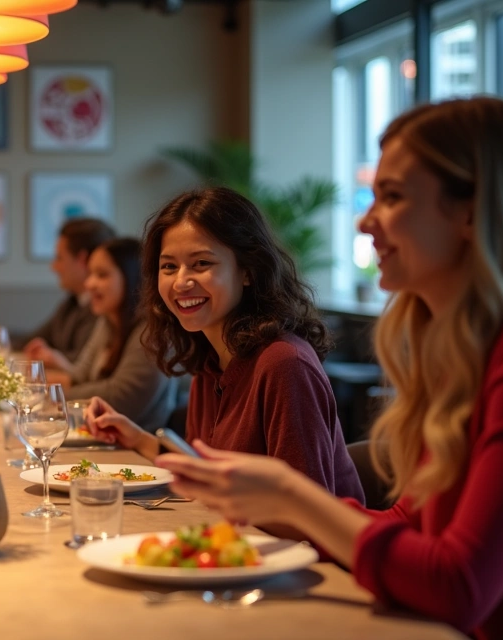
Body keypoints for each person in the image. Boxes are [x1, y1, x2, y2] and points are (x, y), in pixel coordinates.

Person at [157, 98, 503, 639]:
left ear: (472, 211)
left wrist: (295, 499)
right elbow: (412, 526)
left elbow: (458, 584)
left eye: (390, 197)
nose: (366, 220)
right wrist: (290, 505)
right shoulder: (458, 346)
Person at [87, 188, 363, 502]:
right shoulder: (208, 362)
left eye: (201, 263)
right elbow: (205, 473)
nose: (181, 282)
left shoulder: (285, 364)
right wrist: (136, 437)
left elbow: (309, 510)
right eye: (168, 267)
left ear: (247, 271)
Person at [27, 238, 175, 429]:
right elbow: (83, 375)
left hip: (136, 448)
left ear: (132, 277)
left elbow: (122, 397)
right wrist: (57, 372)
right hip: (100, 434)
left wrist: (56, 393)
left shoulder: (153, 331)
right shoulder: (108, 321)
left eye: (102, 275)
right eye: (89, 274)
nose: (89, 284)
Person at [18, 217, 116, 362]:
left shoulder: (107, 309)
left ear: (82, 259)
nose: (53, 267)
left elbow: (83, 364)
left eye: (59, 258)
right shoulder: (72, 302)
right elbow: (33, 340)